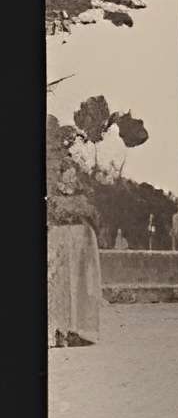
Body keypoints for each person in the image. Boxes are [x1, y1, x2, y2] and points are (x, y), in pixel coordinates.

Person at [46, 115, 102, 350]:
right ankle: (59, 331)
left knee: (72, 283)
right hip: (60, 236)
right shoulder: (54, 174)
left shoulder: (71, 173)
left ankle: (69, 330)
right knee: (60, 283)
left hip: (71, 237)